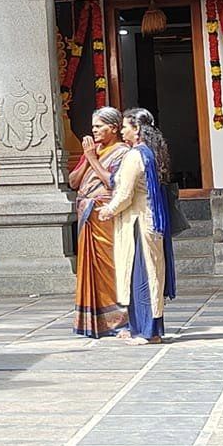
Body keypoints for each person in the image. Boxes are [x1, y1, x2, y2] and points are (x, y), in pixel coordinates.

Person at [111, 108, 177, 341]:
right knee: (152, 274)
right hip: (152, 220)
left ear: (137, 129)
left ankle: (146, 332)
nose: (122, 131)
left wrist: (109, 210)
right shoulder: (152, 152)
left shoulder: (134, 155)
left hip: (139, 222)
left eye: (125, 127)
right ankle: (147, 329)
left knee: (141, 276)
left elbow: (125, 194)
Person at [70, 106, 129, 337]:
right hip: (88, 218)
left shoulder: (122, 152)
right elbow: (73, 182)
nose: (93, 130)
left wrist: (93, 159)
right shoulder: (93, 151)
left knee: (111, 267)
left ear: (113, 128)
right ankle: (96, 322)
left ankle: (120, 320)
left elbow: (112, 182)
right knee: (91, 270)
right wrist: (88, 158)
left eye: (98, 126)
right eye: (93, 126)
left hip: (106, 216)